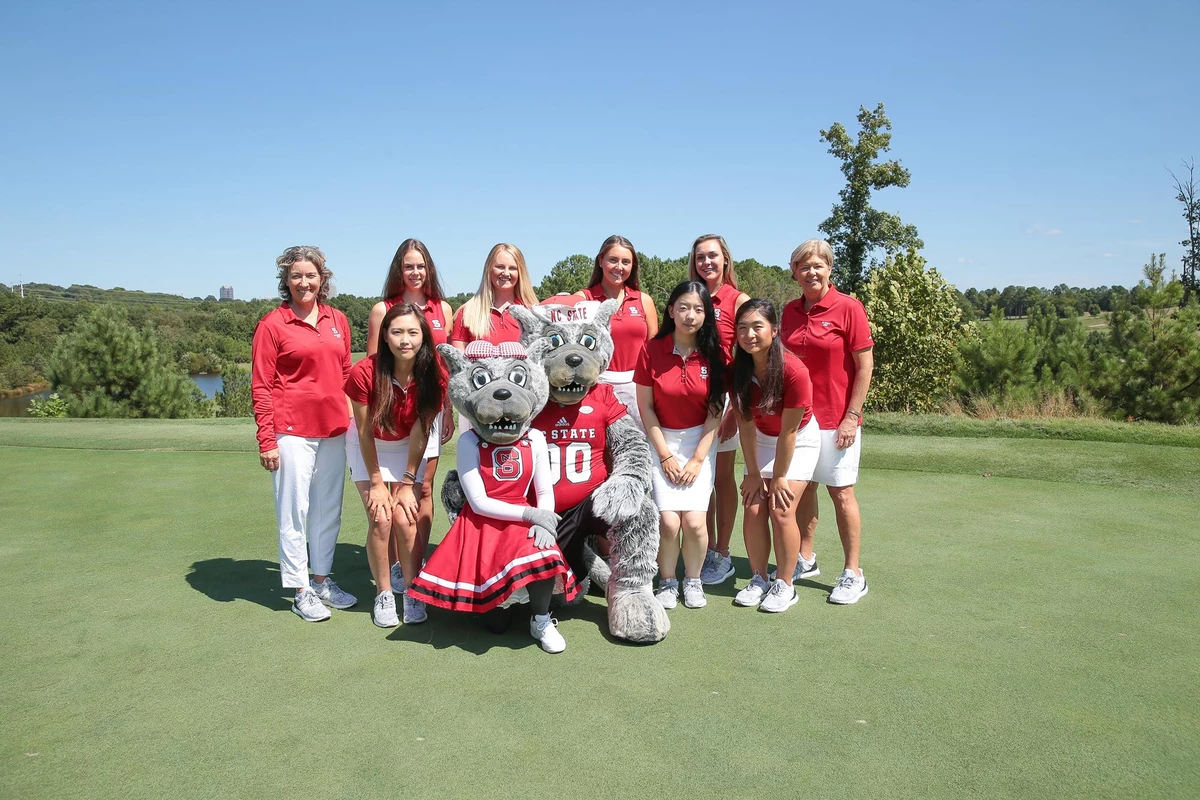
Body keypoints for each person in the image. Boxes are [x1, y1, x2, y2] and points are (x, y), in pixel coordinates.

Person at [408, 341, 580, 654]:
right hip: (482, 524)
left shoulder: (535, 439)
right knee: (496, 626)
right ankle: (501, 602)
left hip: (523, 516)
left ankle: (541, 618)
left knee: (543, 551)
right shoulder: (469, 442)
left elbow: (544, 490)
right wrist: (531, 516)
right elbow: (478, 503)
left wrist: (546, 523)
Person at [251, 245, 356, 622]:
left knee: (328, 510)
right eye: (296, 275)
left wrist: (359, 420)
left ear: (322, 279)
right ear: (286, 280)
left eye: (311, 275)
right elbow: (261, 386)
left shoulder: (337, 319)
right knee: (294, 511)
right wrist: (267, 440)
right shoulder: (272, 324)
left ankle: (323, 580)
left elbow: (346, 376)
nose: (304, 282)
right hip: (291, 430)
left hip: (334, 430)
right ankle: (300, 589)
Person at [780, 239, 874, 604]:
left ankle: (853, 572)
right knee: (805, 490)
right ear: (794, 273)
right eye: (804, 267)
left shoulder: (848, 308)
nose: (811, 272)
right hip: (800, 420)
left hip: (838, 419)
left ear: (829, 268)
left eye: (818, 265)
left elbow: (864, 366)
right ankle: (805, 557)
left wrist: (852, 416)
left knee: (841, 492)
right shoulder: (788, 312)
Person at [345, 303, 445, 628]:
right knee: (381, 519)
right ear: (385, 336)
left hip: (409, 446)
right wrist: (376, 482)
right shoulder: (364, 372)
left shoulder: (434, 374)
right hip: (369, 445)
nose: (405, 340)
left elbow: (421, 430)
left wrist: (406, 483)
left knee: (405, 520)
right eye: (397, 332)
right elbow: (363, 431)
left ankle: (413, 590)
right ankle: (384, 592)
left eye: (413, 332)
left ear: (423, 337)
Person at [363, 239, 454, 596]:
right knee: (388, 493)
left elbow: (445, 363)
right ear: (398, 270)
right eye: (408, 266)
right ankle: (395, 568)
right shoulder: (381, 309)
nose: (415, 273)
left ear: (428, 269)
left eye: (420, 266)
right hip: (392, 408)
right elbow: (374, 365)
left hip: (432, 406)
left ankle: (417, 561)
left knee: (425, 487)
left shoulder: (442, 308)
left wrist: (448, 412)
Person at [634, 281, 725, 610]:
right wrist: (665, 455)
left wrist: (698, 460)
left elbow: (716, 411)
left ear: (706, 315)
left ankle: (694, 580)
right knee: (669, 521)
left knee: (695, 522)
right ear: (670, 311)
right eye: (683, 308)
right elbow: (646, 407)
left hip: (701, 442)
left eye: (699, 309)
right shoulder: (651, 349)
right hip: (661, 441)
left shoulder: (715, 353)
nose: (690, 315)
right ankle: (668, 580)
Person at [729, 299, 820, 613]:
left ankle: (785, 583)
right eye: (742, 328)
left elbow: (790, 433)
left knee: (781, 509)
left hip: (800, 440)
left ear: (774, 330)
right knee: (754, 507)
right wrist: (753, 472)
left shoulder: (794, 370)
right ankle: (759, 578)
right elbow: (745, 423)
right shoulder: (738, 369)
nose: (749, 334)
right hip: (761, 440)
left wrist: (779, 477)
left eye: (757, 326)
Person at [688, 234, 750, 587]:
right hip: (693, 398)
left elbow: (745, 360)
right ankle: (705, 546)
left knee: (722, 478)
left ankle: (722, 552)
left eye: (712, 256)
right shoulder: (693, 297)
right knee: (702, 478)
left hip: (725, 399)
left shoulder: (737, 300)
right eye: (700, 257)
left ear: (725, 259)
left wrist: (733, 409)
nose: (707, 263)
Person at [574, 235, 658, 428]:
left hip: (637, 387)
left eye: (626, 262)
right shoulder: (583, 299)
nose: (619, 267)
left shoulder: (644, 300)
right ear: (600, 260)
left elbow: (654, 350)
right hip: (597, 385)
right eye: (613, 260)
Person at [450, 243, 538, 349]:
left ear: (520, 272)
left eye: (512, 268)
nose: (506, 273)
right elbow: (458, 362)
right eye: (500, 267)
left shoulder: (533, 312)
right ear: (489, 269)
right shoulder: (467, 313)